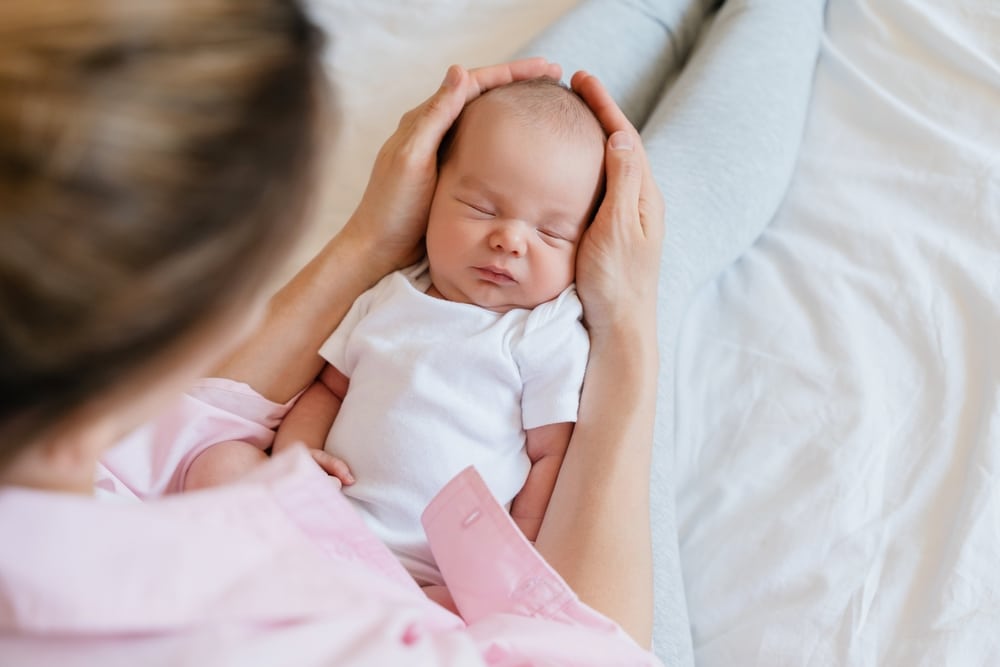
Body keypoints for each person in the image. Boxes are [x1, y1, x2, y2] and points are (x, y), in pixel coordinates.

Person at [0, 0, 826, 664]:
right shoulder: (336, 626)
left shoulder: (101, 495)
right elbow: (583, 642)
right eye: (475, 205)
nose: (508, 238)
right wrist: (629, 323)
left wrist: (372, 236)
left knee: (547, 146)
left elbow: (202, 421)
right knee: (654, 242)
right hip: (459, 580)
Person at [185, 78, 606, 595]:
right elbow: (328, 389)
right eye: (481, 208)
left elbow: (551, 456)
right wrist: (297, 453)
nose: (510, 240)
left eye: (552, 233)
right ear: (430, 196)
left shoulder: (542, 333)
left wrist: (514, 550)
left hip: (430, 573)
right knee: (220, 462)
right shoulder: (389, 297)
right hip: (324, 522)